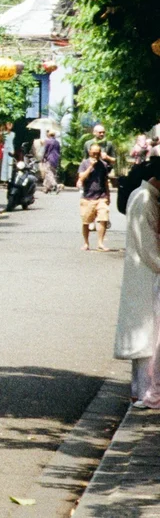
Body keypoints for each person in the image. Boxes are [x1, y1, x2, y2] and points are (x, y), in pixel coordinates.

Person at [114, 156, 160, 406]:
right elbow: (148, 247)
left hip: (141, 271)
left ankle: (139, 390)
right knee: (147, 339)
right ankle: (145, 392)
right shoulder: (146, 199)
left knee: (145, 339)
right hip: (146, 273)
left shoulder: (140, 195)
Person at [77, 143, 114, 251]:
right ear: (89, 152)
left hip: (101, 196)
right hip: (87, 197)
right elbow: (81, 177)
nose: (96, 156)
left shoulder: (103, 165)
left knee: (103, 218)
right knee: (86, 221)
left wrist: (108, 196)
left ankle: (100, 243)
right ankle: (86, 243)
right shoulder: (84, 163)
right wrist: (91, 167)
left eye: (98, 154)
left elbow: (105, 181)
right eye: (94, 153)